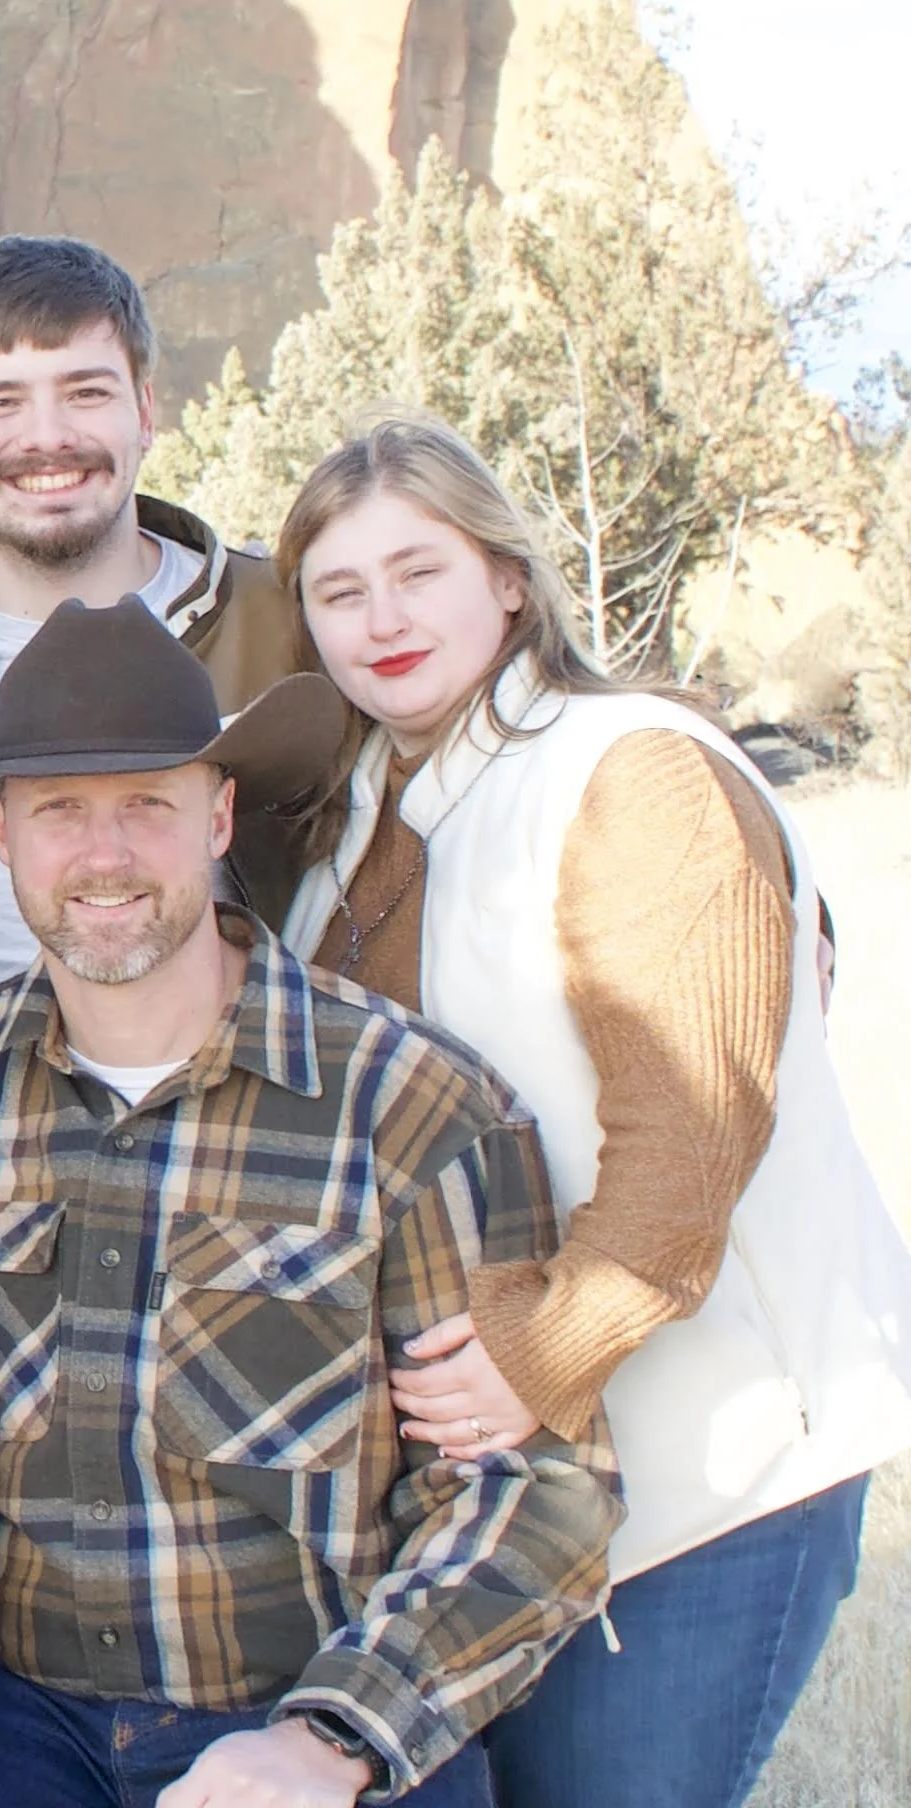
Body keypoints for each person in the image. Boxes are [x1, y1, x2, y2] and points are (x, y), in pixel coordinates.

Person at [0, 598, 623, 1806]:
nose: (104, 854)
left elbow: (526, 1490)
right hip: (7, 1713)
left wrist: (330, 1738)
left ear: (217, 814)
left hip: (312, 1713)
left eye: (147, 805)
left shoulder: (408, 1104)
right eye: (60, 809)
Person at [272, 413, 911, 1808]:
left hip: (705, 1478)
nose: (381, 618)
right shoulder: (357, 822)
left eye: (417, 570)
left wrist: (546, 1343)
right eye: (339, 590)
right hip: (497, 1503)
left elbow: (697, 1126)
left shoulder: (629, 769)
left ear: (507, 579)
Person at [0, 235, 313, 1030]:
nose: (46, 436)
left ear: (145, 412)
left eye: (84, 392)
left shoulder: (291, 635)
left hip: (255, 1132)